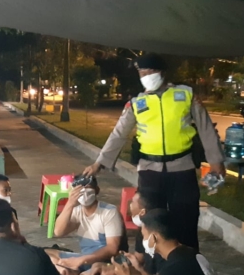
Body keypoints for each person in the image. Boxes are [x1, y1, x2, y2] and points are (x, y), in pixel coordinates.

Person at [83, 53, 225, 252]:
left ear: (163, 73)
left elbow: (206, 128)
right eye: (142, 72)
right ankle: (148, 269)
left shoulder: (185, 95)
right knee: (148, 220)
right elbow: (119, 134)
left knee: (186, 220)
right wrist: (99, 162)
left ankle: (188, 267)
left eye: (151, 71)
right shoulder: (137, 103)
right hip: (149, 171)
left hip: (182, 169)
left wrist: (216, 161)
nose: (146, 75)